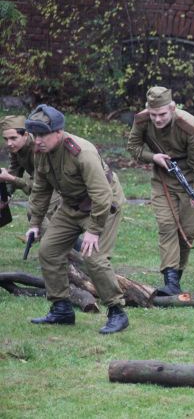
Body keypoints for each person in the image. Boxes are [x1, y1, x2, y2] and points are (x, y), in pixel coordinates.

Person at [25, 104, 129, 334]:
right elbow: (41, 189)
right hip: (71, 205)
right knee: (48, 250)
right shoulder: (40, 152)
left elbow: (102, 195)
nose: (38, 140)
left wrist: (93, 230)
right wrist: (34, 223)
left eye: (43, 134)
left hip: (103, 206)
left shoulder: (82, 152)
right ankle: (61, 308)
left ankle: (117, 312)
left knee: (93, 256)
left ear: (59, 132)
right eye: (35, 134)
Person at [127, 86, 194, 295]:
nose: (157, 119)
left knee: (188, 232)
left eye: (162, 114)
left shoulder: (189, 126)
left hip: (191, 178)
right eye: (153, 114)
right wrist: (153, 157)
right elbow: (133, 147)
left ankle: (177, 274)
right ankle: (171, 281)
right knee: (167, 225)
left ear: (173, 108)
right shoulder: (141, 120)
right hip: (163, 179)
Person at [0, 115, 61, 234]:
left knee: (37, 214)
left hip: (56, 184)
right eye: (6, 139)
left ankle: (57, 249)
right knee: (50, 224)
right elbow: (14, 170)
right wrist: (5, 196)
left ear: (26, 135)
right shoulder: (16, 148)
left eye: (13, 138)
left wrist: (11, 178)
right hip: (44, 184)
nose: (9, 143)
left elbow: (37, 185)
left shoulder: (39, 148)